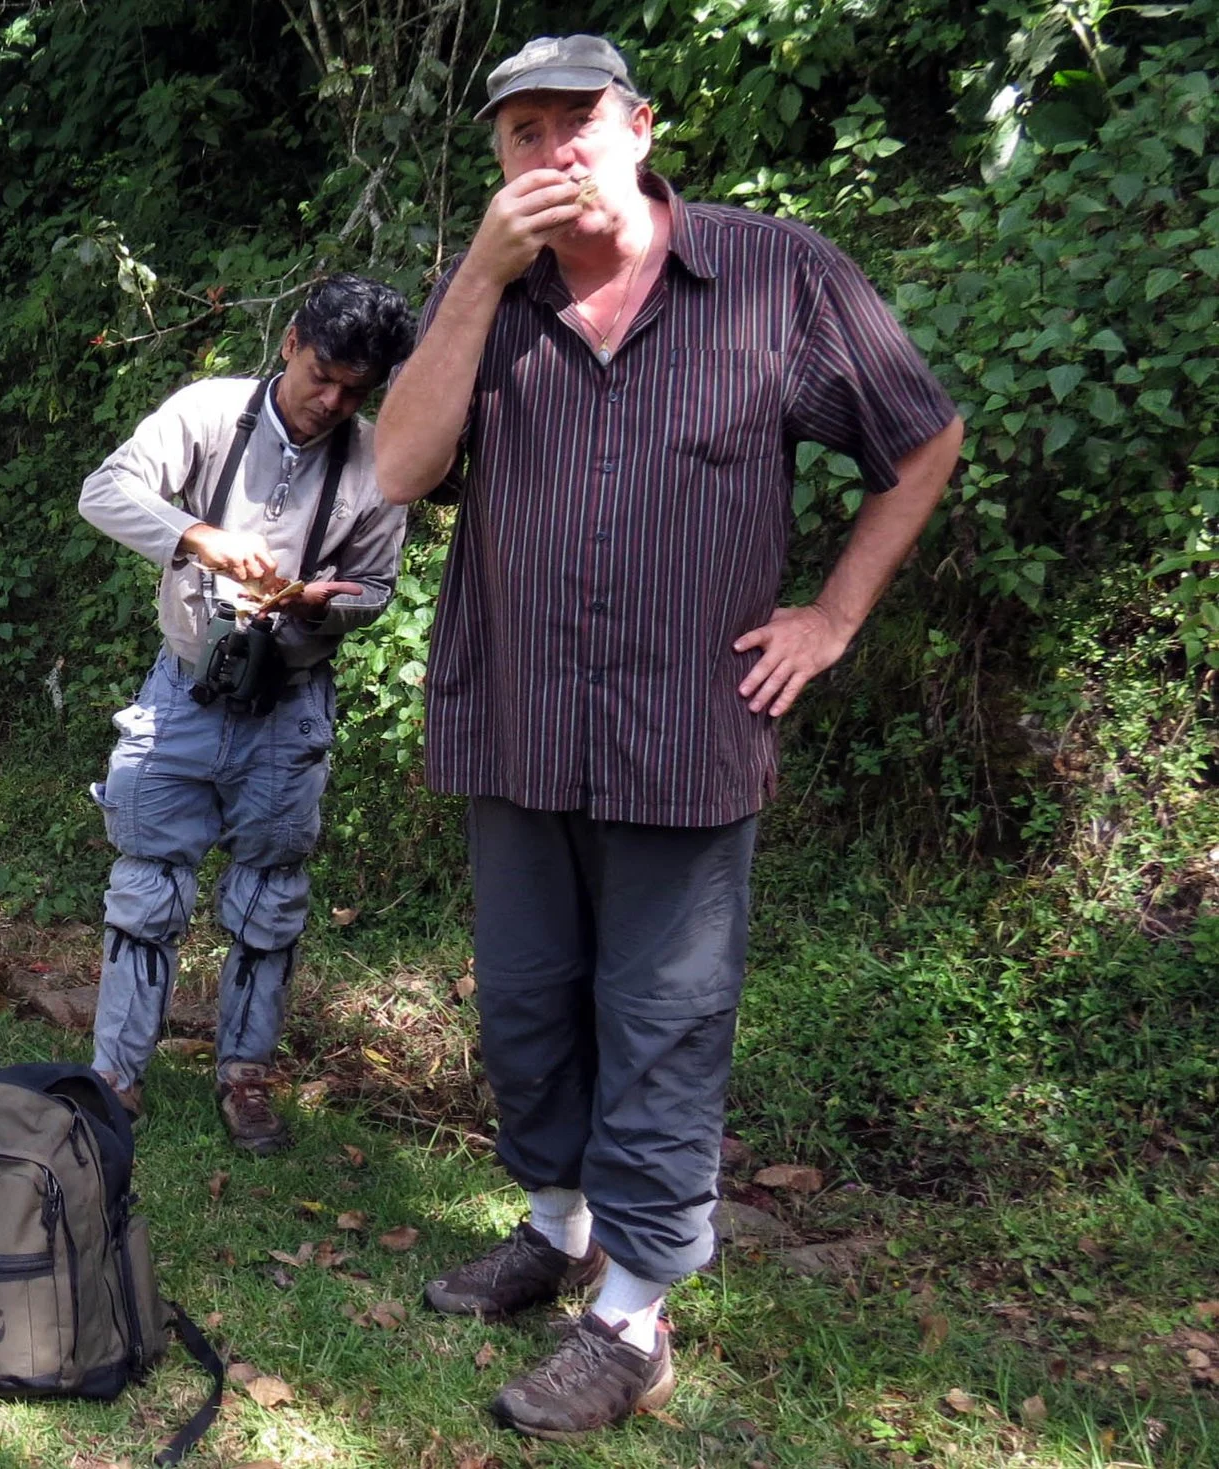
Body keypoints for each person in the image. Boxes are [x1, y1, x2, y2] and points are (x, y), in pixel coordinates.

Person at [371, 36, 965, 1439]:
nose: (550, 152)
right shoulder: (490, 296)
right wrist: (476, 277)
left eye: (574, 121)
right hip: (517, 716)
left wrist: (832, 615)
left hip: (688, 727)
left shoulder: (774, 273)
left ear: (640, 126)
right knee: (527, 1000)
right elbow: (398, 466)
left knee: (661, 1018)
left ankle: (634, 1319)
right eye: (520, 133)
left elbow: (923, 438)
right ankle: (556, 1226)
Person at [77, 273, 420, 1155]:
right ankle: (115, 1078)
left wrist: (320, 603)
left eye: (355, 390)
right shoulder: (207, 414)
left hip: (290, 704)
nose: (331, 402)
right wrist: (199, 539)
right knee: (147, 886)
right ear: (291, 342)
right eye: (322, 376)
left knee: (271, 896)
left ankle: (245, 1076)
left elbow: (377, 587)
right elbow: (103, 492)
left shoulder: (378, 461)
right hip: (183, 689)